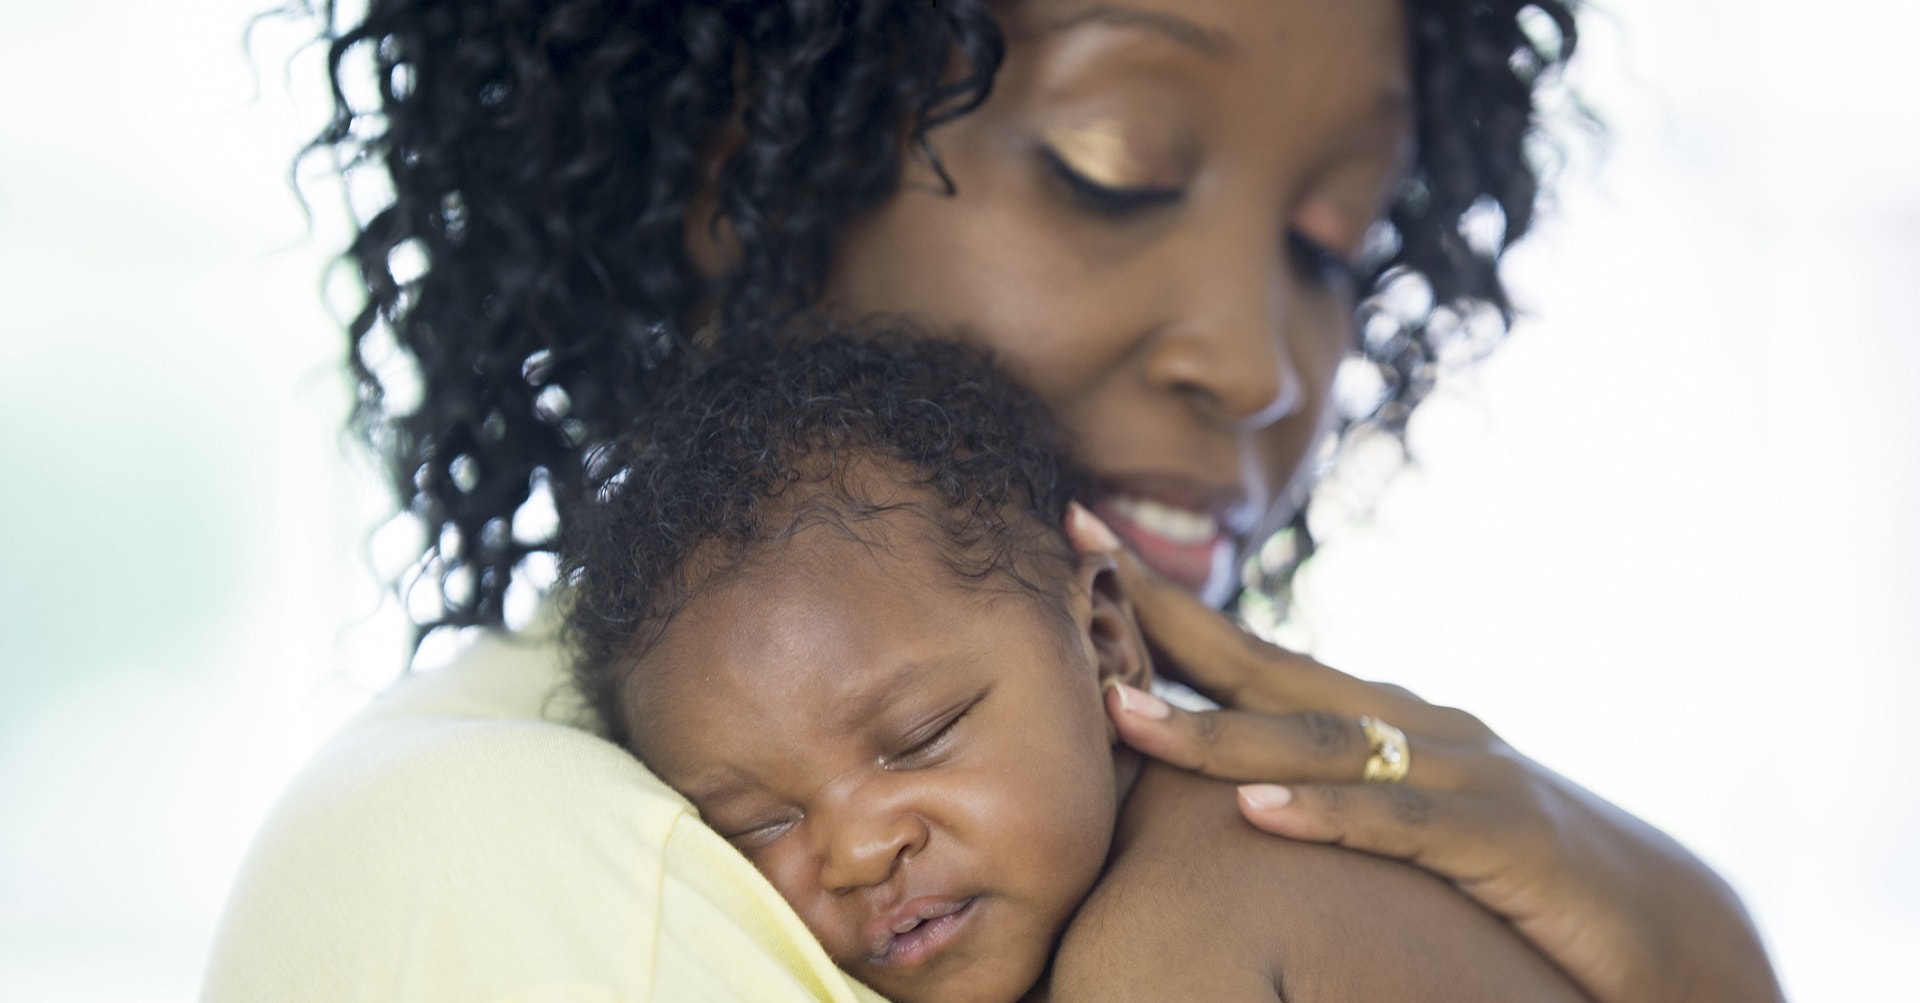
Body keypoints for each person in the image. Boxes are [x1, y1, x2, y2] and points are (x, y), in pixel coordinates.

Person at [207, 1, 1781, 1000]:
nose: (1260, 364)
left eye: (1329, 242)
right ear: (730, 160)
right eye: (1112, 168)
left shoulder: (1228, 875)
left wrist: (1670, 922)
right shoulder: (492, 855)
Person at [562, 328, 1582, 1002]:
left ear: (1102, 637)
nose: (856, 850)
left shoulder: (1160, 943)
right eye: (758, 825)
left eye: (918, 737)